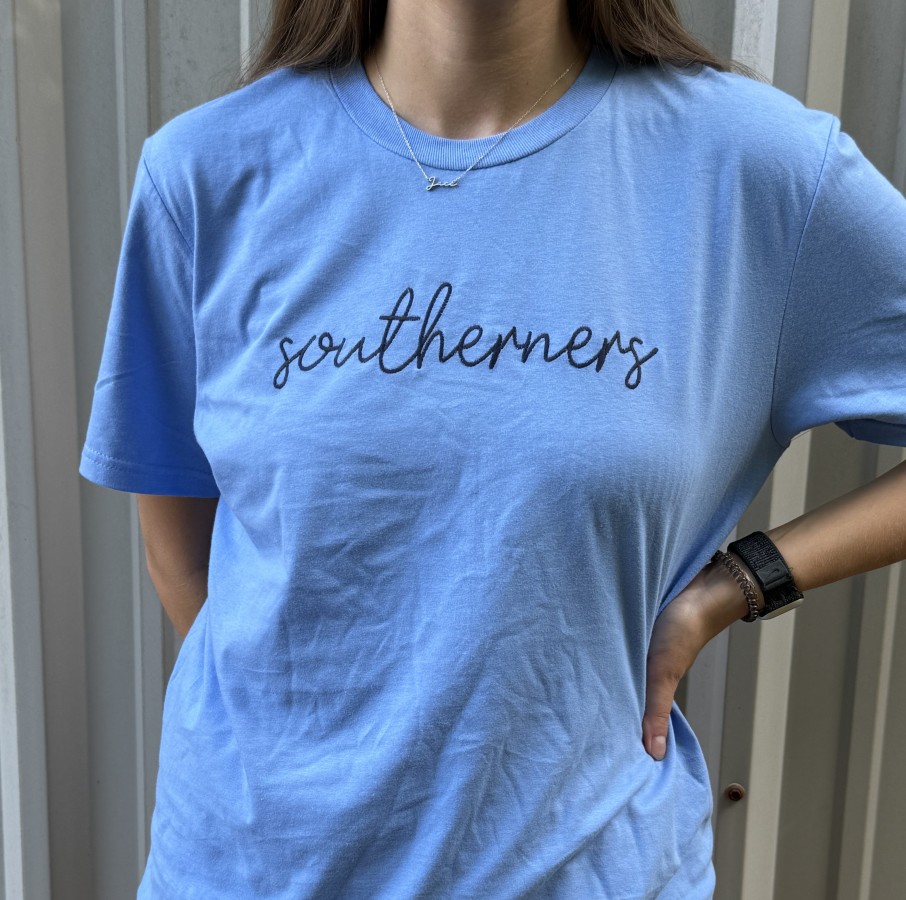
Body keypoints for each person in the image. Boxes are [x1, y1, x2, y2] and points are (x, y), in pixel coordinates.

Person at [77, 0, 906, 896]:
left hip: (581, 871)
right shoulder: (206, 172)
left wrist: (737, 584)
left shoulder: (752, 170)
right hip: (248, 871)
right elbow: (180, 554)